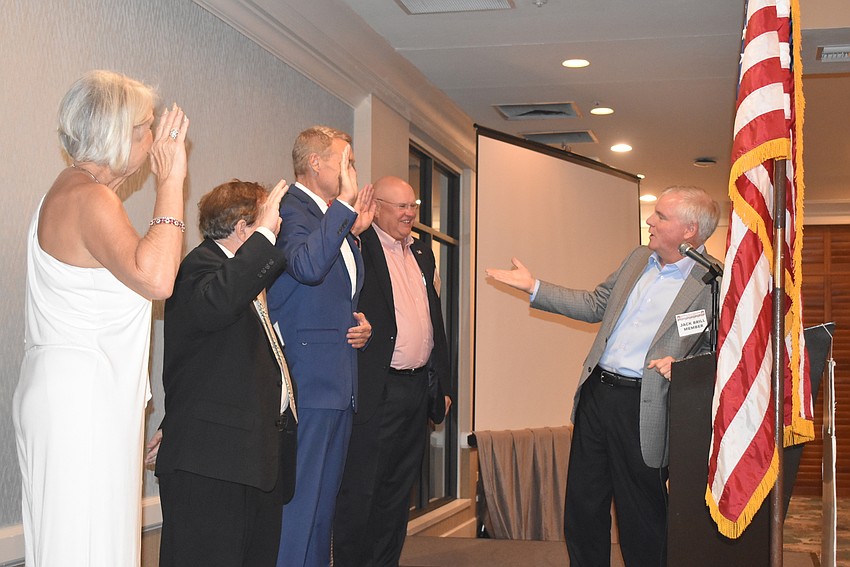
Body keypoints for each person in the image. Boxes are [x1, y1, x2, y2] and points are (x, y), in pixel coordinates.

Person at [486, 186, 721, 567]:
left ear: (689, 230)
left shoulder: (712, 281)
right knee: (583, 505)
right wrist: (534, 287)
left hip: (646, 406)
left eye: (661, 216)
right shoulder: (638, 258)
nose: (650, 221)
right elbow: (596, 304)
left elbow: (723, 351)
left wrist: (684, 366)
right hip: (598, 395)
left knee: (641, 514)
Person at [12, 70, 188, 567]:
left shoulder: (70, 192)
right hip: (80, 397)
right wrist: (171, 182)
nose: (154, 138)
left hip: (73, 391)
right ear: (118, 134)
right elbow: (158, 278)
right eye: (146, 126)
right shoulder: (91, 198)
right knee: (84, 545)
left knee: (76, 542)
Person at [154, 179, 297, 566]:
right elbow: (217, 305)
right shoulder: (198, 267)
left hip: (251, 459)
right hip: (213, 464)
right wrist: (264, 237)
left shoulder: (239, 277)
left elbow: (210, 362)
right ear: (242, 228)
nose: (278, 226)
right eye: (269, 219)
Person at [267, 125, 375, 567]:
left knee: (322, 513)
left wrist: (359, 325)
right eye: (346, 163)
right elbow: (308, 266)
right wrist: (345, 208)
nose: (352, 173)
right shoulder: (291, 210)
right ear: (316, 163)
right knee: (299, 511)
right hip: (308, 384)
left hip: (339, 384)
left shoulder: (332, 218)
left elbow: (333, 294)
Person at [332, 176, 452, 567]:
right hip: (377, 389)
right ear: (377, 207)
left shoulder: (422, 252)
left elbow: (434, 321)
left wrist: (444, 384)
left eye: (412, 206)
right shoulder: (358, 247)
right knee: (362, 492)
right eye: (401, 206)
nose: (409, 213)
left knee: (398, 494)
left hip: (417, 390)